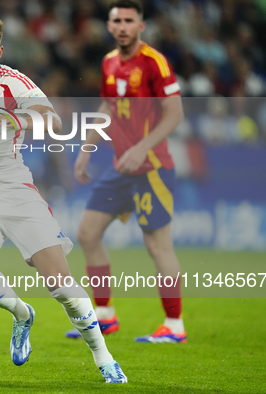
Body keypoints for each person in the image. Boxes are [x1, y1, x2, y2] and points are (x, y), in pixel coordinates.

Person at [0, 14, 127, 383]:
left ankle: (104, 357)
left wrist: (21, 120)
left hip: (15, 189)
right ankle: (21, 314)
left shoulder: (15, 83)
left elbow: (54, 121)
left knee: (61, 285)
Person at [68, 0, 186, 343]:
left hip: (152, 167)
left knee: (157, 246)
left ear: (141, 26)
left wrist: (142, 147)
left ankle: (174, 326)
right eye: (116, 20)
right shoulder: (108, 62)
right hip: (121, 166)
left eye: (128, 21)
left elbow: (175, 113)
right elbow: (106, 105)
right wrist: (86, 149)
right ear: (108, 25)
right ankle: (105, 316)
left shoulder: (154, 62)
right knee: (88, 234)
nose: (122, 26)